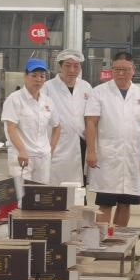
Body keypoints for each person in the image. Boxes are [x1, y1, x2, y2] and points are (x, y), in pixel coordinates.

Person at [84, 51, 140, 227]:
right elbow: (91, 122)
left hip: (132, 156)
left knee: (126, 202)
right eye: (117, 69)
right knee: (105, 203)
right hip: (107, 156)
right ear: (112, 70)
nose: (121, 73)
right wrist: (91, 152)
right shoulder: (99, 92)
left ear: (133, 70)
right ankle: (101, 238)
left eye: (125, 69)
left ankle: (117, 238)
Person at [2, 58, 61, 185]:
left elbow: (57, 126)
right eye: (34, 75)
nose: (38, 79)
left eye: (42, 76)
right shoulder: (14, 99)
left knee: (41, 193)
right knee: (21, 193)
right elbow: (11, 128)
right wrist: (22, 150)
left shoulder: (48, 101)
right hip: (22, 156)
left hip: (43, 157)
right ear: (25, 76)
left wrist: (51, 149)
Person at [43, 49, 94, 185]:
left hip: (80, 142)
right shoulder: (47, 87)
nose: (72, 70)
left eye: (76, 66)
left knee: (78, 186)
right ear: (60, 67)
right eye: (67, 65)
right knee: (55, 185)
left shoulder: (86, 87)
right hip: (56, 143)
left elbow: (91, 116)